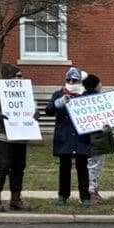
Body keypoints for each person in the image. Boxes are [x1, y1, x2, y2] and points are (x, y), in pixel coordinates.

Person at [0, 63, 34, 212]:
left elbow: (30, 108)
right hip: (3, 134)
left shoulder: (25, 91)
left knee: (19, 167)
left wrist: (34, 115)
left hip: (21, 134)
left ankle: (16, 199)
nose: (21, 78)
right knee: (3, 166)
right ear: (10, 77)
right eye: (18, 76)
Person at [44, 66, 92, 206]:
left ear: (79, 80)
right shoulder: (59, 94)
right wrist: (59, 103)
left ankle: (85, 197)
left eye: (74, 79)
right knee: (64, 168)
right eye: (69, 79)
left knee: (82, 168)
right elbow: (48, 111)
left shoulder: (86, 96)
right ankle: (63, 195)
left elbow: (95, 115)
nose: (71, 82)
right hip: (64, 136)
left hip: (80, 136)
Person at [83, 73, 114, 203]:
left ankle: (90, 189)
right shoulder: (99, 101)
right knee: (94, 165)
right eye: (100, 82)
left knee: (91, 165)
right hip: (97, 139)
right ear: (96, 85)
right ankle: (91, 190)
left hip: (89, 139)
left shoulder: (82, 99)